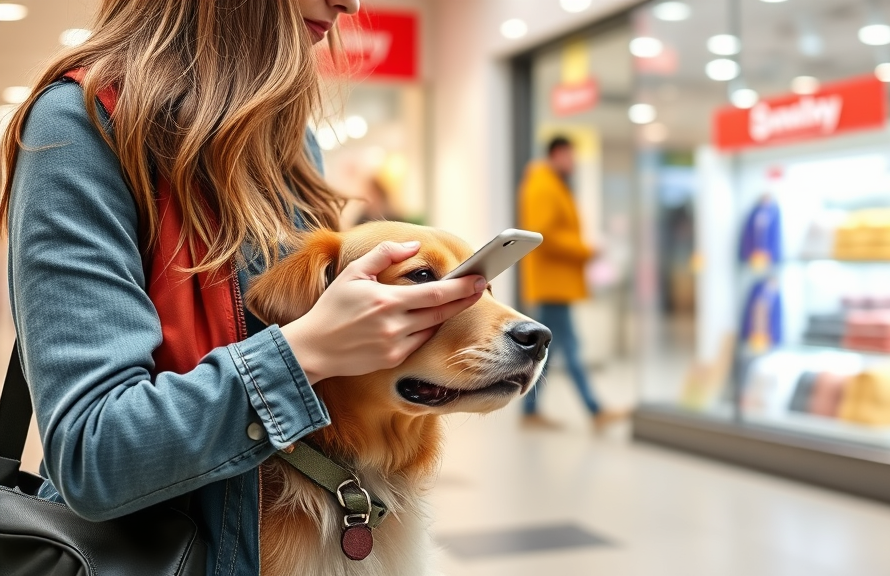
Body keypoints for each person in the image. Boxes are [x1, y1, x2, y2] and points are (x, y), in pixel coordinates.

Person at [0, 2, 488, 575]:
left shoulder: (290, 141)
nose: (350, 5)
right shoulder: (80, 126)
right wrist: (304, 353)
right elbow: (94, 453)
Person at [518, 136, 628, 430]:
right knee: (569, 347)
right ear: (556, 154)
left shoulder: (552, 184)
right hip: (553, 283)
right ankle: (594, 409)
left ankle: (530, 410)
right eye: (569, 155)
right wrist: (586, 250)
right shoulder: (544, 186)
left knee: (553, 349)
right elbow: (544, 235)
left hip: (556, 282)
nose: (573, 162)